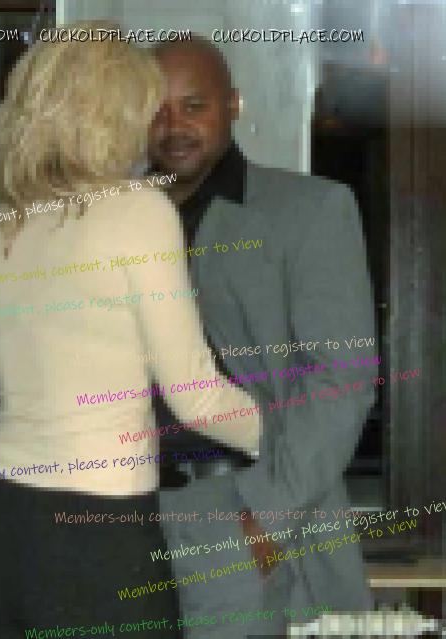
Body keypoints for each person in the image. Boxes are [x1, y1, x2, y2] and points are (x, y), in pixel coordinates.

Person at [0, 22, 263, 639]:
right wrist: (290, 438)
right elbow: (197, 397)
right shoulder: (137, 211)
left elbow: (10, 384)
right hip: (96, 543)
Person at [149, 36, 376, 637]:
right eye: (155, 108)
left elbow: (341, 382)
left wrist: (266, 520)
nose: (173, 126)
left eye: (194, 106)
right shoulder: (112, 221)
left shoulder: (309, 210)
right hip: (117, 518)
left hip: (237, 513)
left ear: (233, 105)